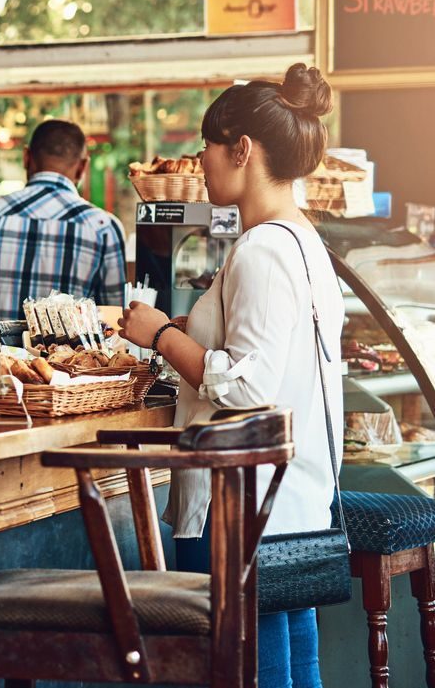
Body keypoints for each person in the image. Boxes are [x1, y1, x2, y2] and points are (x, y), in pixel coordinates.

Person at [118, 64, 342, 688]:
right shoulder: (303, 241)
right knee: (297, 667)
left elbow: (248, 386)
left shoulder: (262, 249)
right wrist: (197, 324)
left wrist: (160, 334)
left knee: (254, 672)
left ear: (241, 149)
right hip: (292, 497)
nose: (200, 162)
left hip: (249, 507)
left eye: (205, 148)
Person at [0, 119, 126, 320]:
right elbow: (113, 321)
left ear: (27, 157)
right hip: (73, 352)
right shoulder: (103, 228)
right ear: (82, 167)